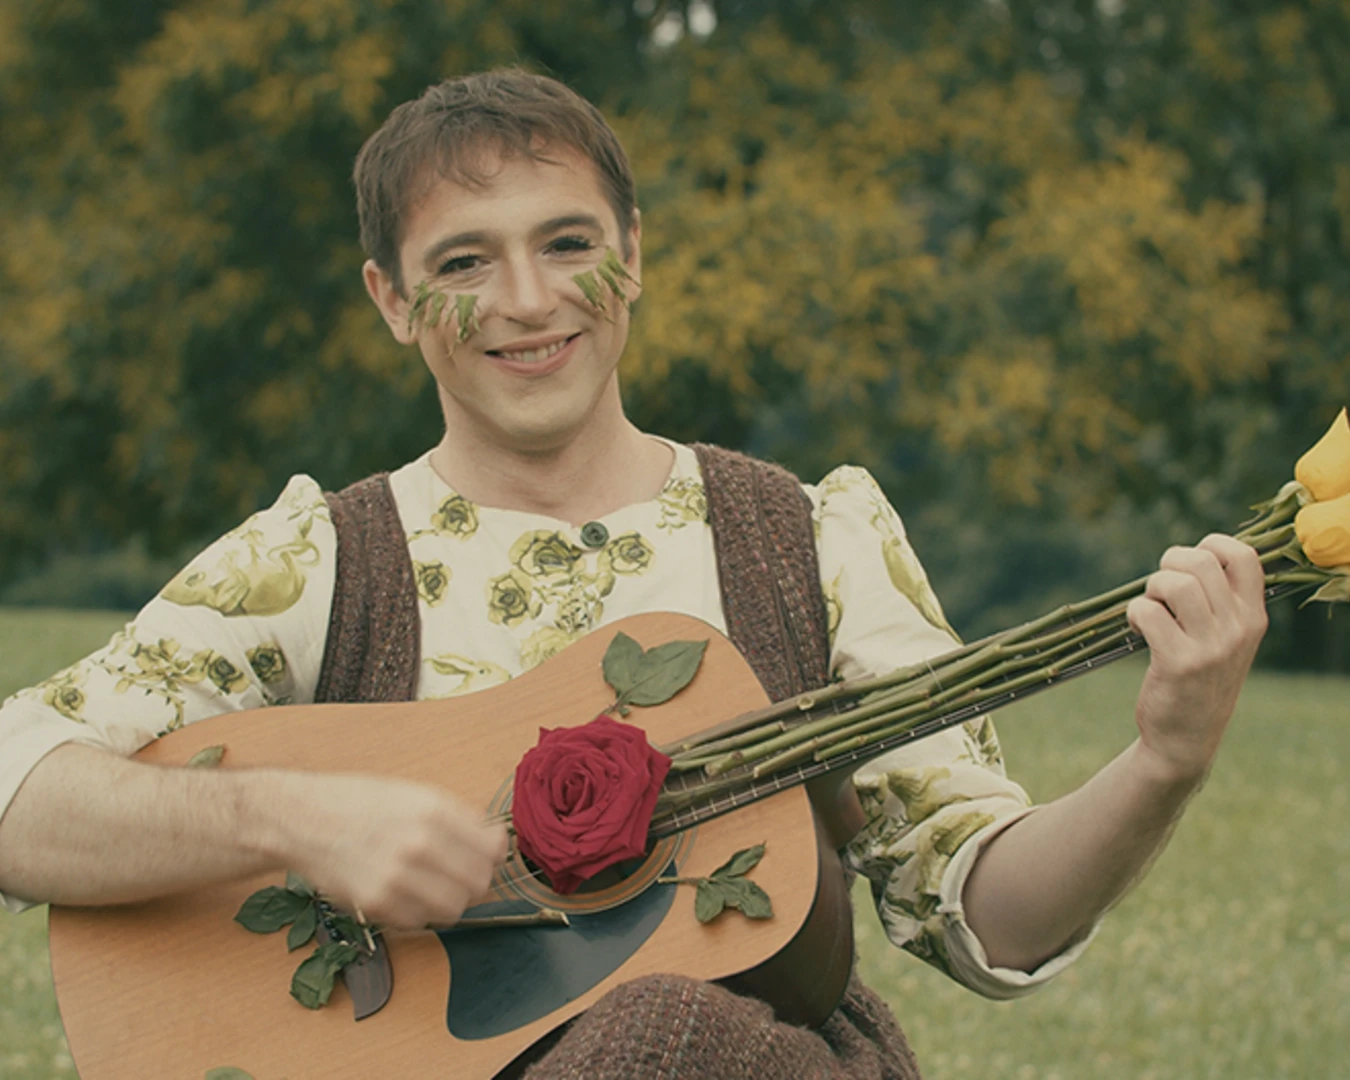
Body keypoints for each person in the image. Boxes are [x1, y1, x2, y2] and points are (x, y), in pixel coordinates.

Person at [0, 70, 1267, 1078]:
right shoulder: (319, 561)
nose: (529, 298)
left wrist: (1167, 758)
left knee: (673, 1038)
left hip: (746, 1069)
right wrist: (299, 820)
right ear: (391, 299)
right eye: (462, 263)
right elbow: (17, 789)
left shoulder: (803, 538)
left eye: (568, 242)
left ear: (637, 254)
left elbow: (989, 914)